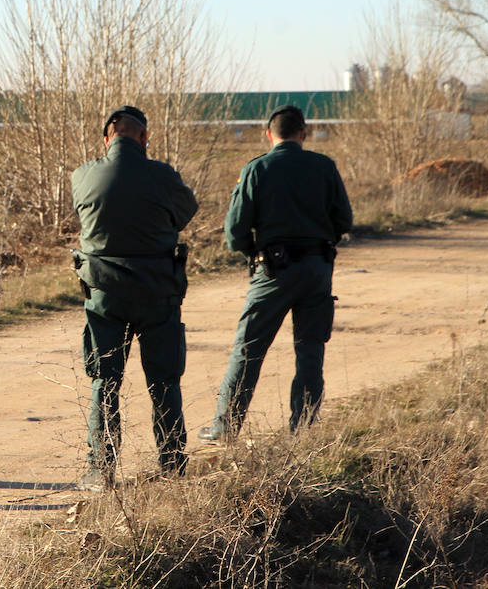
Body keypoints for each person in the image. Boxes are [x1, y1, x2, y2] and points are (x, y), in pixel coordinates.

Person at [200, 105, 353, 445]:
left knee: (249, 348)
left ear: (269, 135)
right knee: (310, 349)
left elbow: (234, 233)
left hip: (272, 269)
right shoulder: (324, 167)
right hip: (317, 269)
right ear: (304, 133)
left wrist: (253, 251)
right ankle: (304, 432)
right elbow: (344, 221)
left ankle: (225, 429)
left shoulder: (257, 168)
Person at [71, 105, 197, 488]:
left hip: (105, 296)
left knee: (104, 382)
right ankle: (172, 467)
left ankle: (100, 471)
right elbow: (185, 212)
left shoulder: (83, 175)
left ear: (106, 139)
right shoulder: (163, 176)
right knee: (164, 382)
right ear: (144, 139)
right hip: (158, 292)